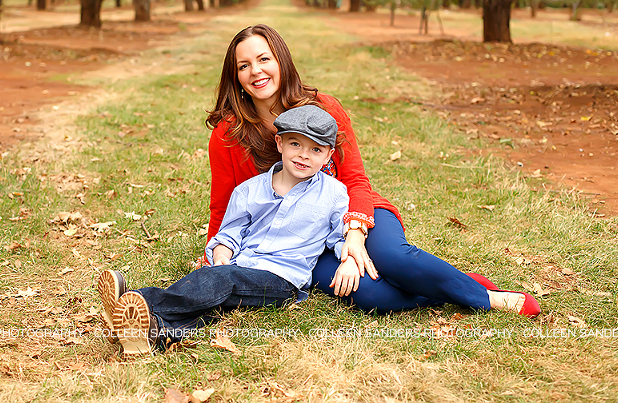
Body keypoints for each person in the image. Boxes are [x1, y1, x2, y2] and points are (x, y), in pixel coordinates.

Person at [204, 24, 541, 317]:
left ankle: (487, 298)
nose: (256, 71)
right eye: (244, 65)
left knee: (395, 261)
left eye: (264, 59)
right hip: (299, 241)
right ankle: (447, 286)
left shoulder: (325, 108)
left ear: (281, 60)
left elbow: (354, 178)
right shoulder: (228, 134)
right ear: (236, 76)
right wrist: (213, 256)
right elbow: (223, 203)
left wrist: (354, 233)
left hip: (353, 211)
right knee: (372, 295)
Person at [97, 105, 360, 356]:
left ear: (327, 156)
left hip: (282, 278)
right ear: (279, 143)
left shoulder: (334, 193)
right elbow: (230, 233)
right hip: (239, 264)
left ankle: (138, 301)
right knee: (213, 303)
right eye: (295, 144)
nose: (304, 154)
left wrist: (348, 260)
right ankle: (151, 332)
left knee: (221, 282)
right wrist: (222, 251)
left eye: (315, 149)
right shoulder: (249, 190)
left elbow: (339, 237)